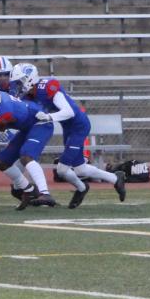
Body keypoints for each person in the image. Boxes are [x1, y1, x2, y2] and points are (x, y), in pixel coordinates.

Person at [19, 63, 126, 206]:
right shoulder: (31, 96)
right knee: (80, 168)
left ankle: (82, 188)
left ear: (29, 79)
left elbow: (68, 112)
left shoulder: (47, 87)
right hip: (68, 127)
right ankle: (114, 179)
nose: (19, 86)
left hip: (78, 126)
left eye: (20, 82)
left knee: (62, 170)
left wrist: (49, 117)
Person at [0, 84, 58, 208]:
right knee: (2, 163)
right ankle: (29, 190)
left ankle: (45, 193)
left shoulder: (3, 114)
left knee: (26, 156)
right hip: (26, 127)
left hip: (41, 124)